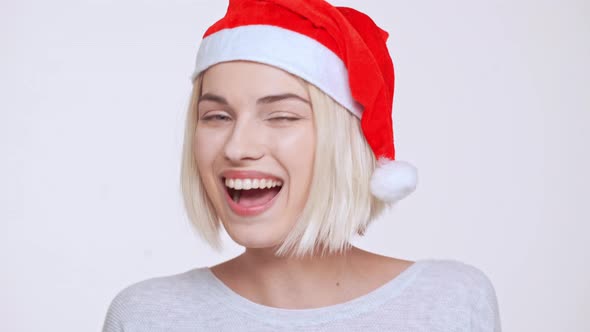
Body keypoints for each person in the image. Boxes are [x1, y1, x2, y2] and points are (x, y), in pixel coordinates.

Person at [102, 0, 501, 331]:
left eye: (282, 116)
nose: (237, 147)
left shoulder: (449, 304)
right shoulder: (146, 317)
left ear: (342, 141)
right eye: (217, 117)